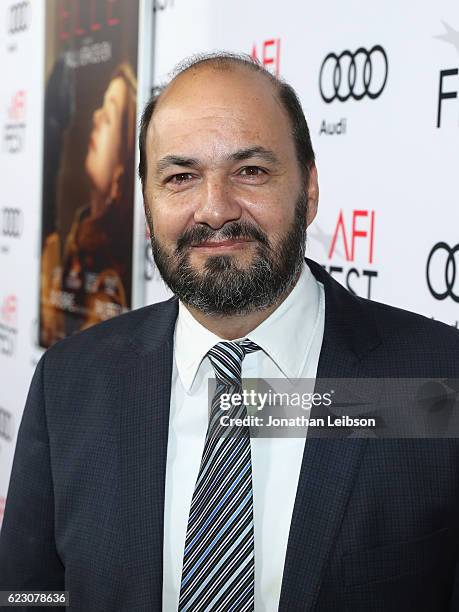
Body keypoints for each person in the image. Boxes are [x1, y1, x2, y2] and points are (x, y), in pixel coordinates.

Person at [1, 52, 459, 612]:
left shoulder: (437, 385)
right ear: (147, 207)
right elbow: (29, 594)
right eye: (181, 177)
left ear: (309, 191)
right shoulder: (70, 383)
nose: (215, 209)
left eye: (251, 171)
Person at [40, 62, 137, 346]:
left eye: (108, 117)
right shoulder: (75, 244)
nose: (96, 116)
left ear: (121, 169)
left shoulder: (108, 289)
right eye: (100, 108)